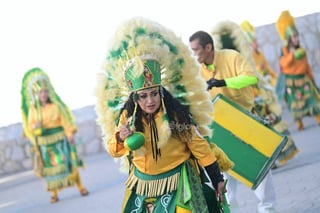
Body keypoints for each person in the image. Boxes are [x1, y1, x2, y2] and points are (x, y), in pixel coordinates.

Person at [95, 17, 232, 213]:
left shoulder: (175, 115)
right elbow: (114, 150)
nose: (149, 101)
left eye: (154, 94)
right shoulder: (129, 116)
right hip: (144, 185)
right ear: (135, 98)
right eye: (143, 96)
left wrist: (217, 178)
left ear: (161, 92)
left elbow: (198, 145)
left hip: (180, 181)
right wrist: (120, 136)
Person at [189, 23, 276, 213]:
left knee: (260, 172)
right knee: (226, 181)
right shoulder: (196, 72)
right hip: (220, 132)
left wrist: (222, 82)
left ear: (208, 47)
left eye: (196, 50)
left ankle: (268, 210)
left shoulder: (231, 57)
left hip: (247, 123)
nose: (194, 54)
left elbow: (251, 78)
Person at [21, 67, 89, 203]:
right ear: (37, 94)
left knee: (70, 163)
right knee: (50, 168)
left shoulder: (55, 106)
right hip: (44, 142)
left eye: (46, 91)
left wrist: (69, 134)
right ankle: (54, 193)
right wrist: (35, 126)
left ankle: (81, 187)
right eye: (41, 92)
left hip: (59, 138)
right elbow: (30, 126)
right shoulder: (34, 109)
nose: (44, 94)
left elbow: (64, 121)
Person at [241, 20, 299, 168]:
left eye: (256, 42)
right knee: (264, 129)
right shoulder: (247, 58)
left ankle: (276, 157)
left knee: (274, 123)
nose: (256, 44)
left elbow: (266, 69)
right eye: (253, 42)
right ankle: (269, 161)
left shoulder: (259, 55)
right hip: (255, 96)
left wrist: (274, 78)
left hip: (264, 92)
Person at [275, 10, 320, 131]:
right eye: (294, 37)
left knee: (312, 99)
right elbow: (283, 64)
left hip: (303, 79)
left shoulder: (302, 50)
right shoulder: (284, 50)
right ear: (289, 38)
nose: (296, 39)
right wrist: (292, 55)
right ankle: (299, 122)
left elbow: (307, 66)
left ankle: (318, 117)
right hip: (291, 82)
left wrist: (311, 78)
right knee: (294, 104)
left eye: (297, 36)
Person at [240, 20, 278, 87]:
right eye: (254, 42)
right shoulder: (248, 57)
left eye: (256, 41)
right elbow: (249, 72)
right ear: (250, 45)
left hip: (266, 79)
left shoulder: (261, 54)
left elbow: (268, 68)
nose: (257, 43)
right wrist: (259, 68)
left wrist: (274, 75)